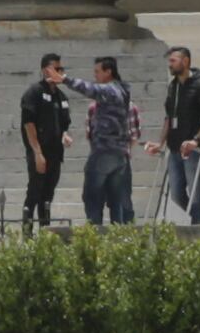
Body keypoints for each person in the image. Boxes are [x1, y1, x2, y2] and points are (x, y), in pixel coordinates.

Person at [160, 44, 200, 225]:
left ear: (185, 61)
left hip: (192, 149)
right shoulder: (173, 87)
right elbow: (168, 117)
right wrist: (160, 142)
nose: (170, 65)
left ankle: (198, 225)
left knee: (195, 192)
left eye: (173, 60)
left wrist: (196, 140)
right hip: (174, 147)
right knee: (176, 194)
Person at [15, 54, 76, 230]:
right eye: (56, 69)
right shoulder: (34, 93)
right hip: (39, 152)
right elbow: (29, 124)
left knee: (47, 196)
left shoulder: (61, 97)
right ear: (45, 70)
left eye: (61, 69)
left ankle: (45, 232)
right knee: (35, 192)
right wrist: (38, 153)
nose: (59, 72)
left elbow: (65, 123)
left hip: (55, 153)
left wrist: (65, 134)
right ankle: (27, 233)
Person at [79, 55, 140, 225]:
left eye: (98, 72)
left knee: (99, 199)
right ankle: (118, 237)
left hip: (108, 156)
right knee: (118, 201)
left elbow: (89, 134)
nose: (95, 76)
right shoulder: (126, 104)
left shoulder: (98, 106)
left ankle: (98, 236)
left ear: (109, 72)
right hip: (120, 156)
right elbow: (134, 135)